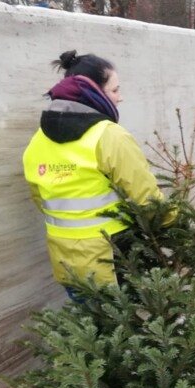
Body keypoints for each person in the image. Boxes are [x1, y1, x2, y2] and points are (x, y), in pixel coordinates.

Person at [22, 50, 172, 294]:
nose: (120, 97)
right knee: (125, 329)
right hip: (114, 261)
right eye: (114, 90)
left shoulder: (38, 141)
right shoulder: (110, 136)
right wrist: (177, 226)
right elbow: (146, 200)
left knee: (88, 328)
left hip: (66, 263)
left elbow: (40, 199)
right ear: (94, 92)